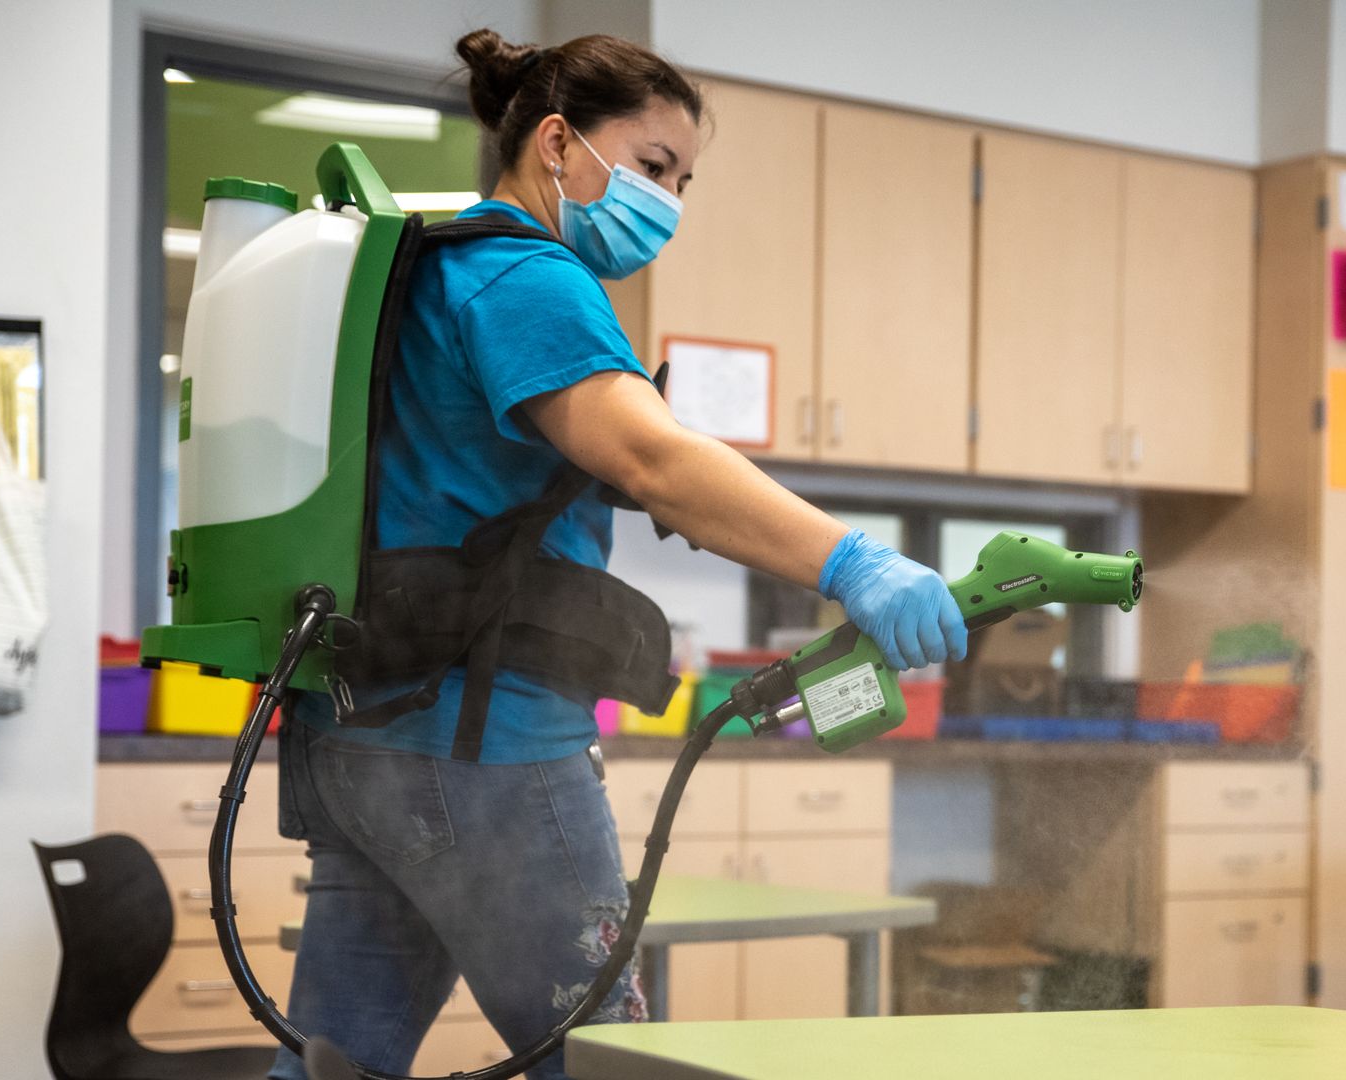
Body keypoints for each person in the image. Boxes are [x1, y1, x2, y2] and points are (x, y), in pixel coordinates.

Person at [267, 30, 967, 1080]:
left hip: (364, 736)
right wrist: (856, 563)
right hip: (484, 746)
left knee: (337, 1064)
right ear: (557, 143)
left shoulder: (434, 271)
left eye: (684, 182)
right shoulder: (523, 278)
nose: (670, 203)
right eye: (651, 168)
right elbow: (653, 456)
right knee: (606, 1065)